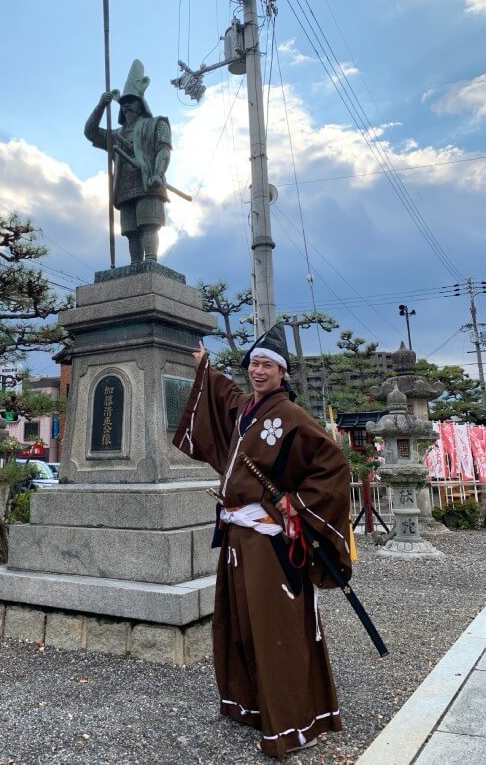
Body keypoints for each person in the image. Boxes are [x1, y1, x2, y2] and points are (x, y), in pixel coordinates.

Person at [173, 324, 352, 758]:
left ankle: (291, 724)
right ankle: (251, 706)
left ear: (282, 372)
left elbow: (334, 464)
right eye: (254, 363)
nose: (257, 371)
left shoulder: (290, 416)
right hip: (237, 535)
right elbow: (223, 397)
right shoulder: (248, 408)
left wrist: (293, 506)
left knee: (275, 628)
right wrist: (204, 367)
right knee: (240, 624)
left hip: (267, 539)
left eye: (266, 365)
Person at [84, 59, 171, 265]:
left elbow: (163, 151)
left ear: (141, 104)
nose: (126, 106)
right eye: (123, 103)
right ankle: (135, 265)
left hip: (148, 181)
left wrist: (158, 173)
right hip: (124, 186)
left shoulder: (156, 124)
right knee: (131, 230)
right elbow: (91, 133)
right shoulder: (117, 134)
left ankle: (150, 260)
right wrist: (100, 107)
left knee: (148, 224)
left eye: (130, 101)